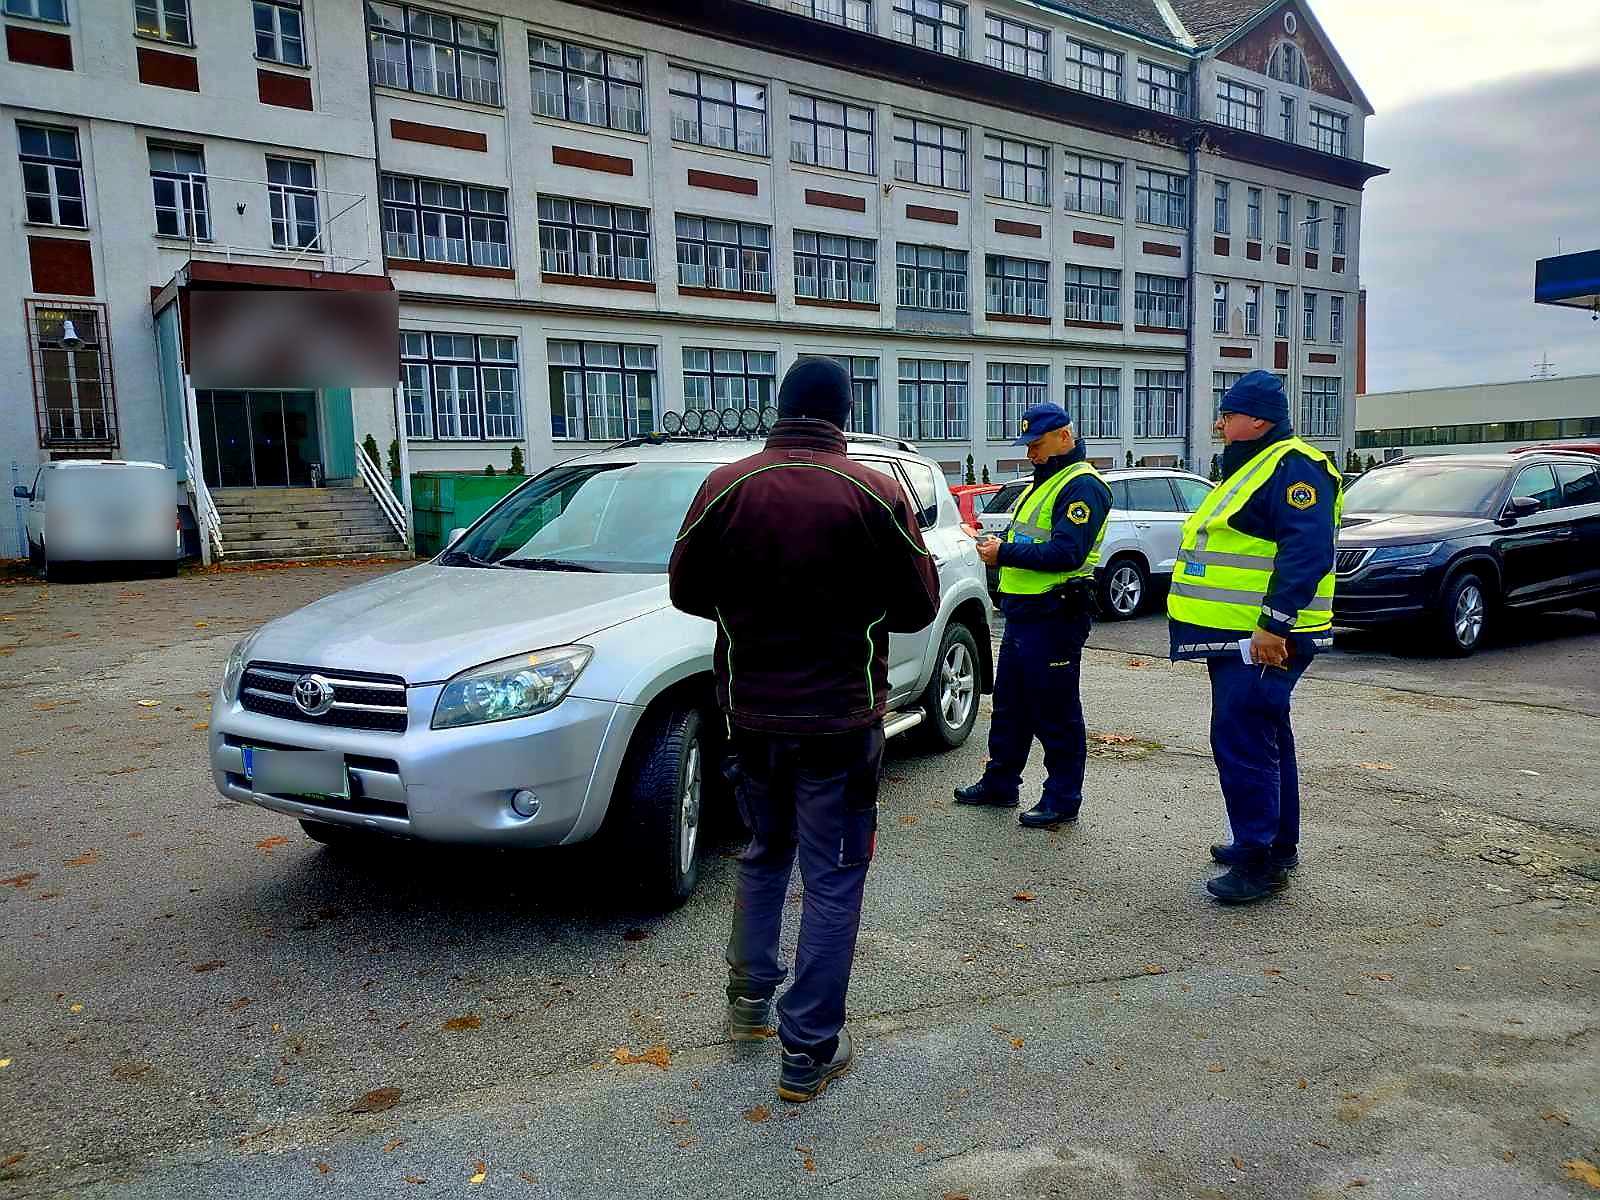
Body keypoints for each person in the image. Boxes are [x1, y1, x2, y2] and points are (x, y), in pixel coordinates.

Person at [667, 357, 940, 1103]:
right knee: (833, 874)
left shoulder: (725, 486)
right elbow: (919, 607)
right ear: (841, 415)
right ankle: (809, 1049)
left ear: (781, 408)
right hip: (840, 718)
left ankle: (750, 1002)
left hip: (752, 712)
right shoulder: (877, 491)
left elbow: (686, 590)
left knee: (764, 853)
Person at [1166, 370, 1341, 904]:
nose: (1218, 422)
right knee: (1265, 736)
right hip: (1243, 636)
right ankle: (1275, 844)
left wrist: (1273, 623)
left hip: (1263, 638)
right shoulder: (1255, 465)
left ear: (1258, 420)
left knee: (1243, 741)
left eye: (1228, 414)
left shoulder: (1294, 468)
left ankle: (1257, 858)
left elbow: (1306, 553)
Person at [953, 402, 1111, 828]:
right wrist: (996, 541)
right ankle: (1001, 782)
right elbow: (1031, 537)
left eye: (1037, 445)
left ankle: (1062, 797)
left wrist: (1002, 552)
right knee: (1011, 706)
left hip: (1055, 612)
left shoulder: (1082, 486)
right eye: (1027, 446)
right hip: (1025, 612)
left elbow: (1067, 551)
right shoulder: (1044, 483)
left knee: (1055, 712)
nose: (1031, 454)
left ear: (1065, 435)